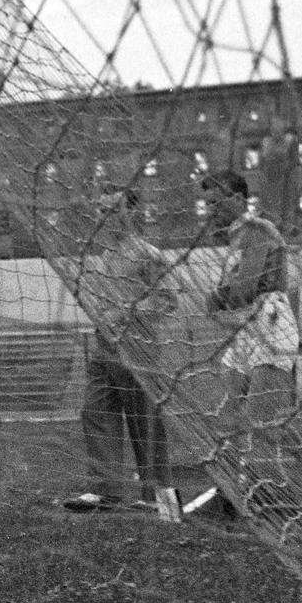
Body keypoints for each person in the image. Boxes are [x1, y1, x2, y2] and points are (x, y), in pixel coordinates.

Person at [188, 171, 302, 520]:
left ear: (238, 198)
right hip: (247, 327)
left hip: (270, 321)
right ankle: (240, 487)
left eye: (216, 202)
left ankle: (271, 495)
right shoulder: (234, 239)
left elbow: (246, 287)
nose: (210, 210)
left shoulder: (258, 231)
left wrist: (215, 298)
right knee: (229, 412)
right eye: (206, 204)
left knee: (259, 418)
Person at [62, 187, 177, 518]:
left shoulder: (148, 254)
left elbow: (168, 299)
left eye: (112, 211)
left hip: (137, 348)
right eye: (100, 211)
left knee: (144, 422)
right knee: (94, 410)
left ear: (133, 214)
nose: (104, 217)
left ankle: (159, 496)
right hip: (104, 347)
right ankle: (107, 490)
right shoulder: (104, 256)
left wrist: (128, 312)